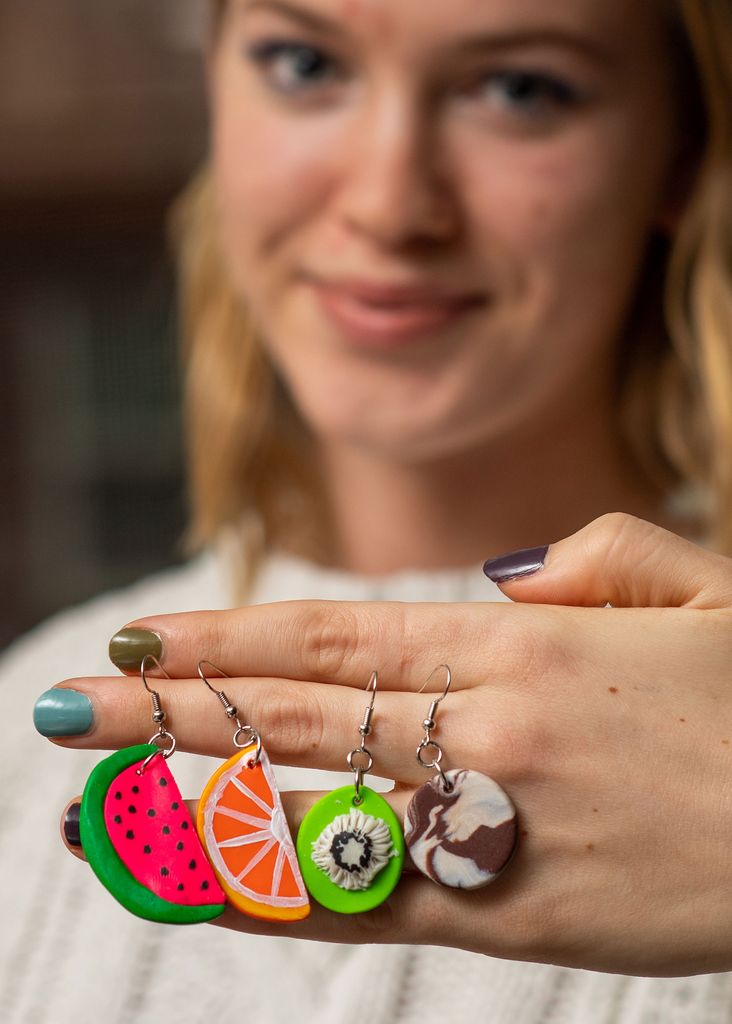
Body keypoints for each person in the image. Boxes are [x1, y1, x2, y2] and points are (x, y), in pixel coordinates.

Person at [8, 0, 732, 1020]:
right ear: (215, 87)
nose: (391, 205)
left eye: (520, 88)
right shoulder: (23, 725)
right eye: (304, 62)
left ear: (680, 150)